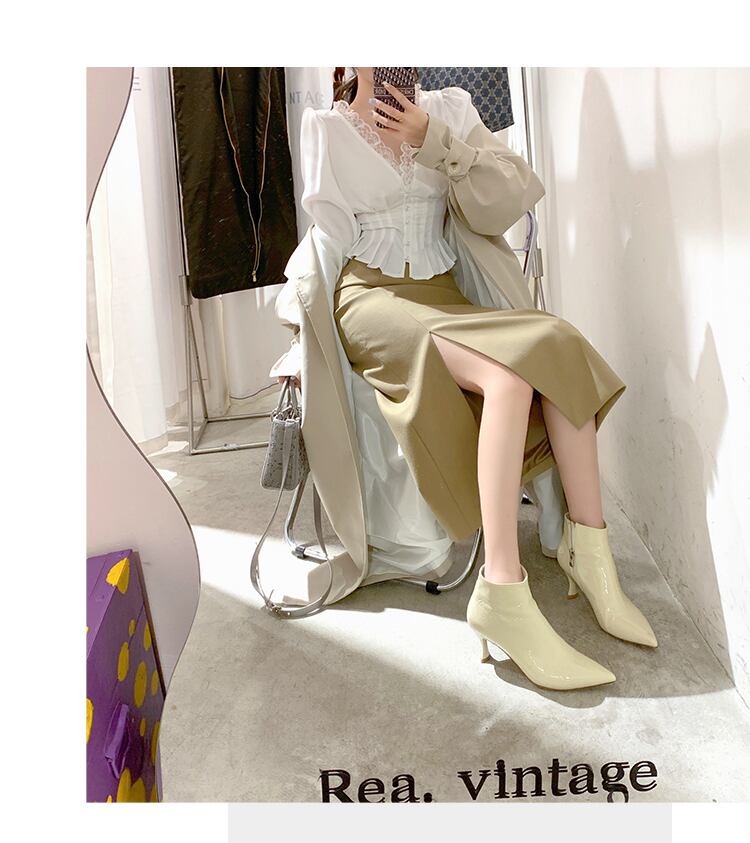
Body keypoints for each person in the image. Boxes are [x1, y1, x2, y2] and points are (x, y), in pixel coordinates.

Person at [278, 67, 656, 691]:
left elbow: (510, 194)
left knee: (555, 340)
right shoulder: (325, 128)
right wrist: (301, 329)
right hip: (370, 299)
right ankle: (502, 590)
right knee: (508, 379)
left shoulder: (450, 111)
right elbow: (325, 247)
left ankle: (591, 557)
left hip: (445, 292)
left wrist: (433, 140)